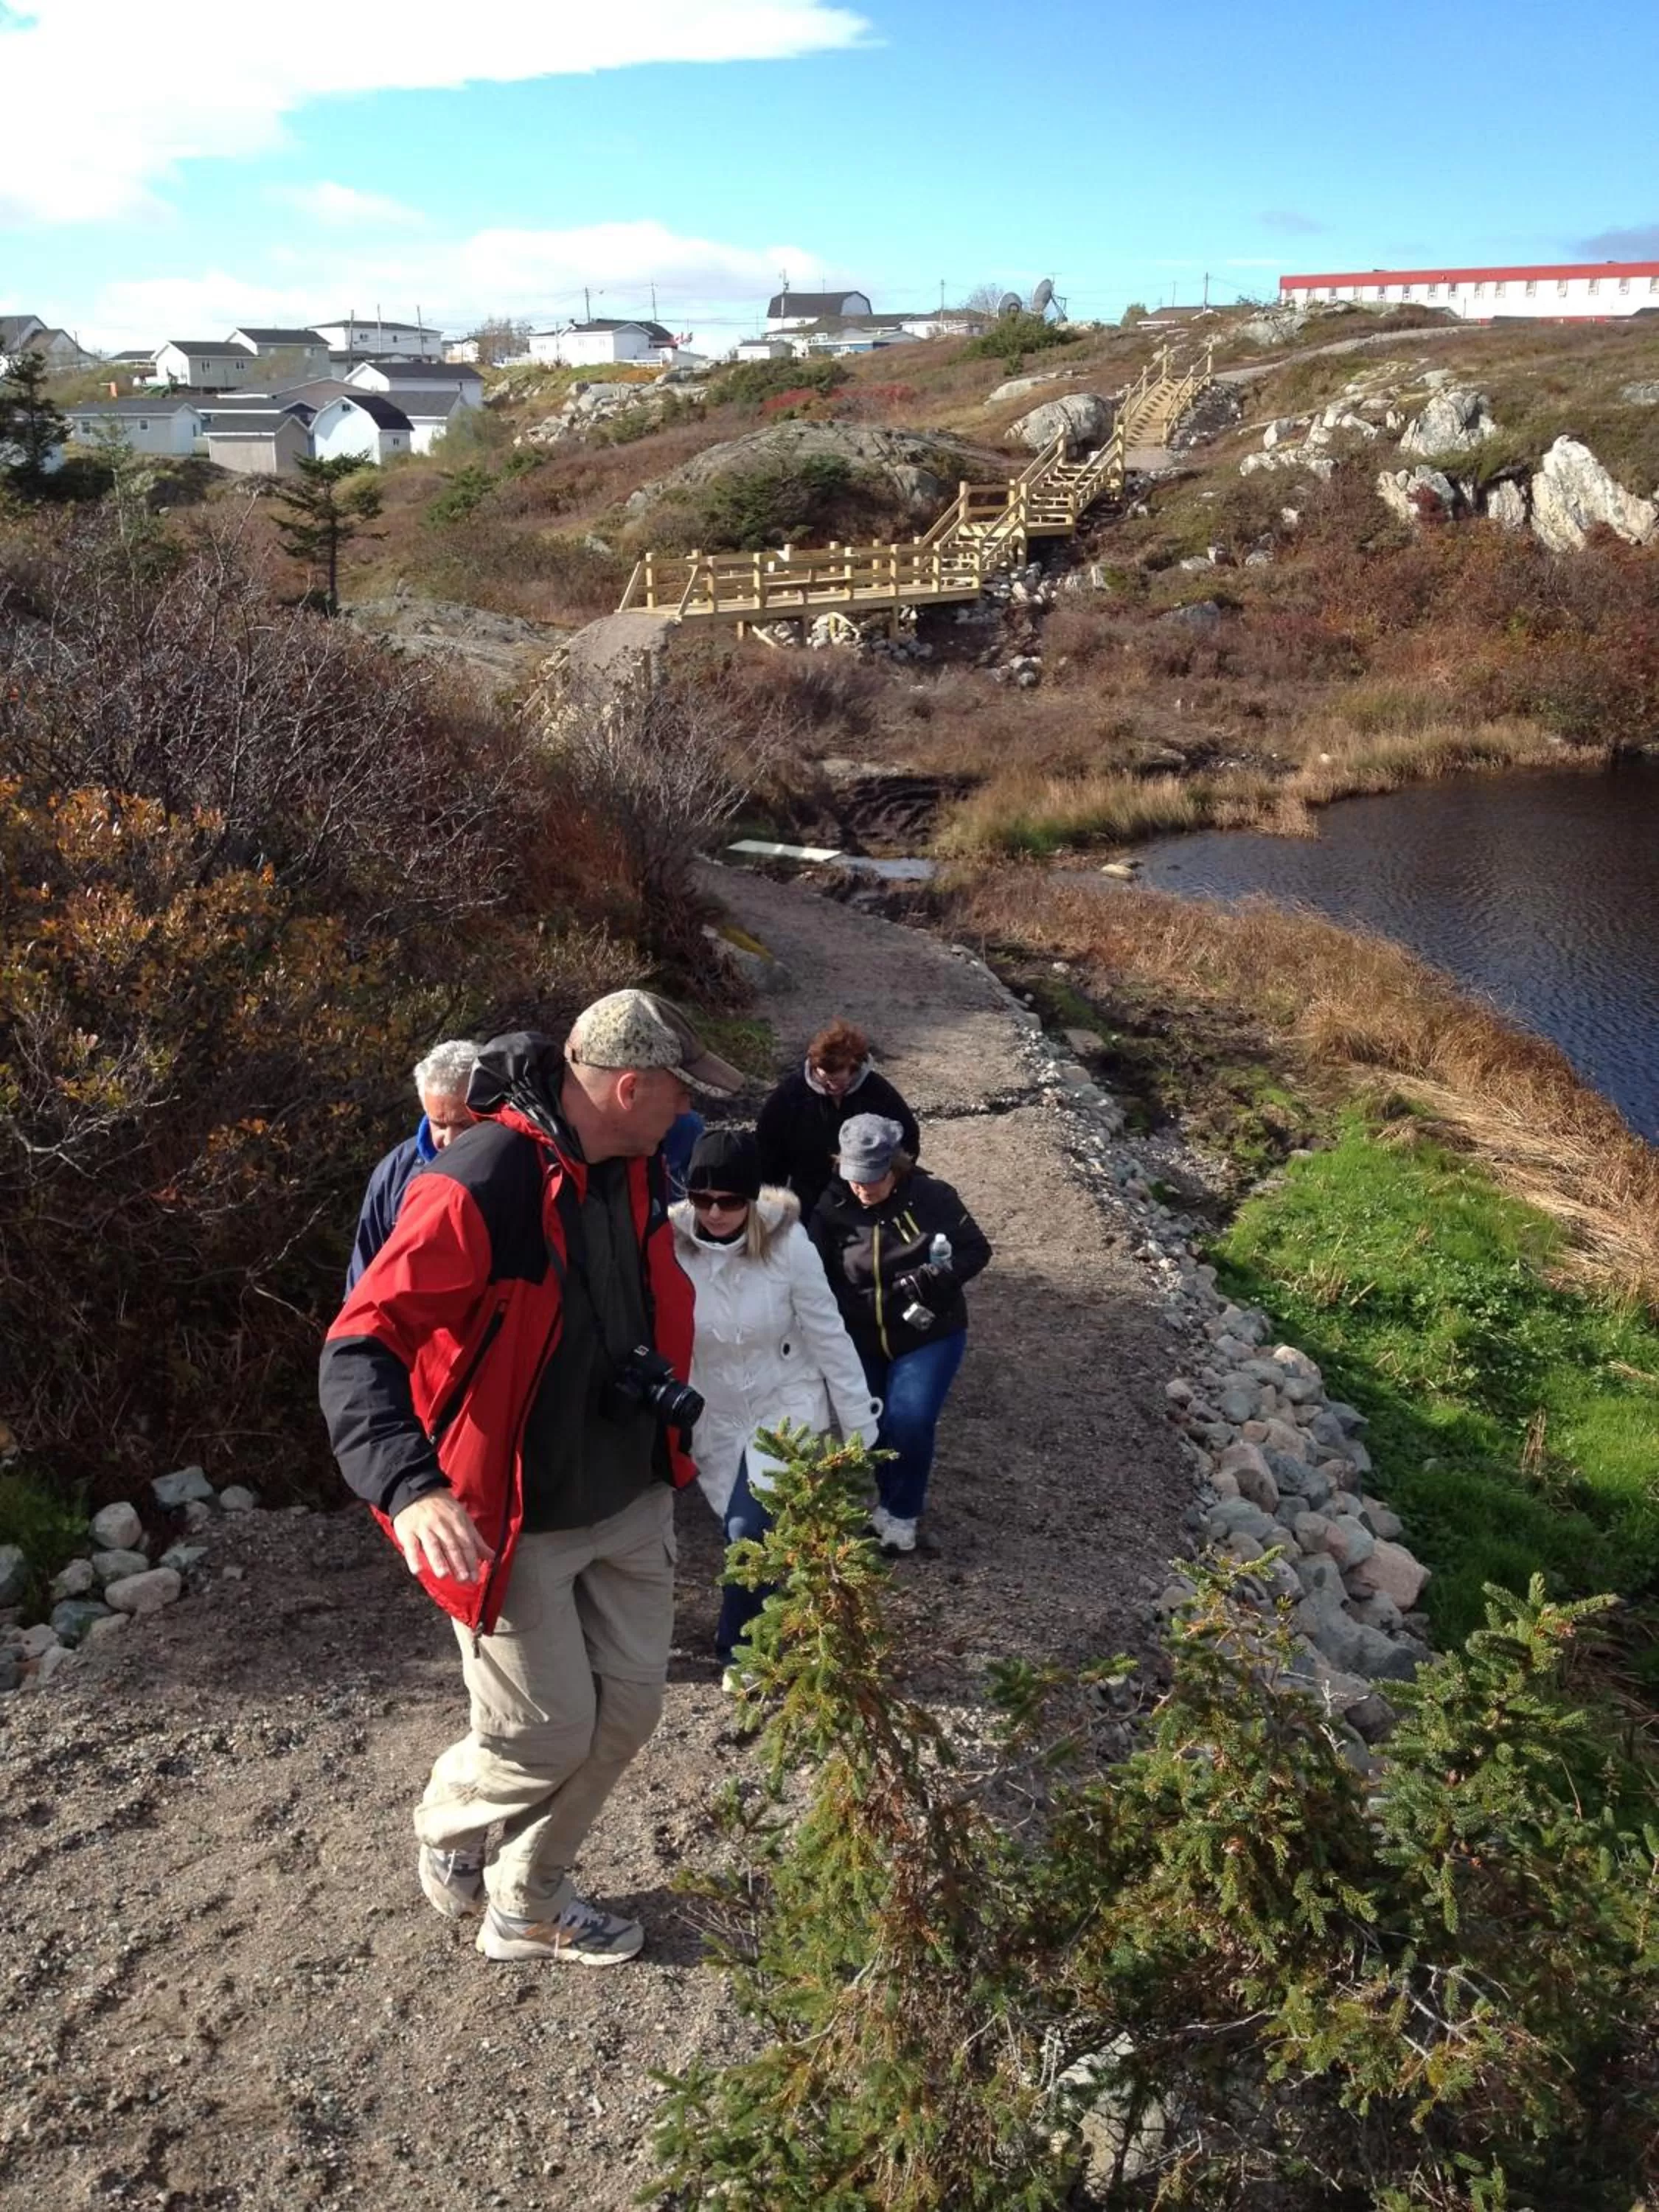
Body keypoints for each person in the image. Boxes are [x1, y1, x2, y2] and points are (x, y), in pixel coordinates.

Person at [319, 990, 744, 1967]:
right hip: (515, 1519)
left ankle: (527, 1899)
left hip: (630, 1493)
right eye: (681, 1092)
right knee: (547, 1737)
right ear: (629, 1086)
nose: (691, 1112)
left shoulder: (632, 1167)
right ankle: (446, 1821)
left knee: (628, 1714)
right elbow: (358, 1342)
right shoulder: (482, 1179)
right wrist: (406, 1482)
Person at [669, 1128, 880, 1687]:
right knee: (762, 1533)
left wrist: (860, 1427)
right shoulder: (669, 1245)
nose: (714, 1214)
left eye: (730, 1202)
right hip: (713, 1412)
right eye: (703, 1200)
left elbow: (828, 1334)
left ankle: (740, 1652)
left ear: (752, 1200)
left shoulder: (788, 1245)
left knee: (749, 1528)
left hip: (783, 1403)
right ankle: (792, 1628)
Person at [810, 1112, 991, 1556]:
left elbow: (976, 1250)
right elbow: (811, 1270)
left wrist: (937, 1277)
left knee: (910, 1420)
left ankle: (901, 1515)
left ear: (896, 1167)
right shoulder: (831, 1206)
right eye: (855, 1178)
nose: (863, 1188)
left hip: (928, 1334)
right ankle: (886, 1502)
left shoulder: (933, 1197)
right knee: (872, 1425)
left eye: (873, 1178)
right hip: (860, 1336)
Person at [346, 1040, 480, 1290]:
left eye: (464, 1125)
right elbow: (364, 1271)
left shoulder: (515, 1168)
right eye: (439, 1124)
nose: (448, 1140)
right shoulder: (396, 1171)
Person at [756, 1018, 920, 1223]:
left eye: (839, 1081)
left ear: (855, 1069)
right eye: (824, 1080)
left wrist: (889, 1182)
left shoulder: (878, 1092)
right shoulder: (791, 1094)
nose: (832, 1087)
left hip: (866, 1189)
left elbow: (908, 1139)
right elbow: (766, 1149)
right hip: (807, 1193)